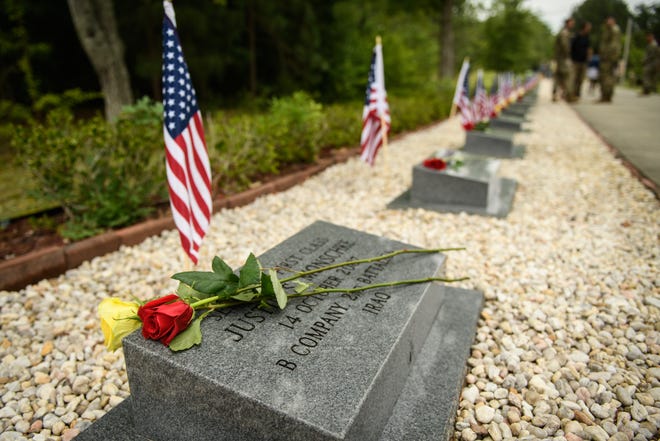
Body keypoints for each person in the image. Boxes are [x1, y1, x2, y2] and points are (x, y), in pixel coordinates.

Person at [598, 16, 621, 103]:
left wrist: (608, 56)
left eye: (609, 21)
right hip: (608, 57)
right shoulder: (610, 30)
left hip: (608, 58)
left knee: (606, 77)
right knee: (607, 77)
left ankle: (606, 96)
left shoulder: (614, 30)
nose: (607, 23)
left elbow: (613, 45)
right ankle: (606, 96)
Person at [553, 18, 575, 102]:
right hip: (563, 59)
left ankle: (556, 94)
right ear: (567, 24)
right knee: (568, 76)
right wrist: (568, 57)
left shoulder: (565, 33)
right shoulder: (564, 33)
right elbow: (565, 46)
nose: (573, 25)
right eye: (571, 23)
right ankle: (568, 95)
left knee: (558, 77)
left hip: (560, 59)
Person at [570, 21, 592, 100]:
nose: (589, 29)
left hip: (583, 61)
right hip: (575, 61)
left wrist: (589, 57)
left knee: (580, 79)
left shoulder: (587, 37)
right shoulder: (576, 36)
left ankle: (577, 94)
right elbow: (571, 47)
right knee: (573, 78)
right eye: (588, 27)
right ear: (584, 27)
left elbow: (589, 48)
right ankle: (571, 94)